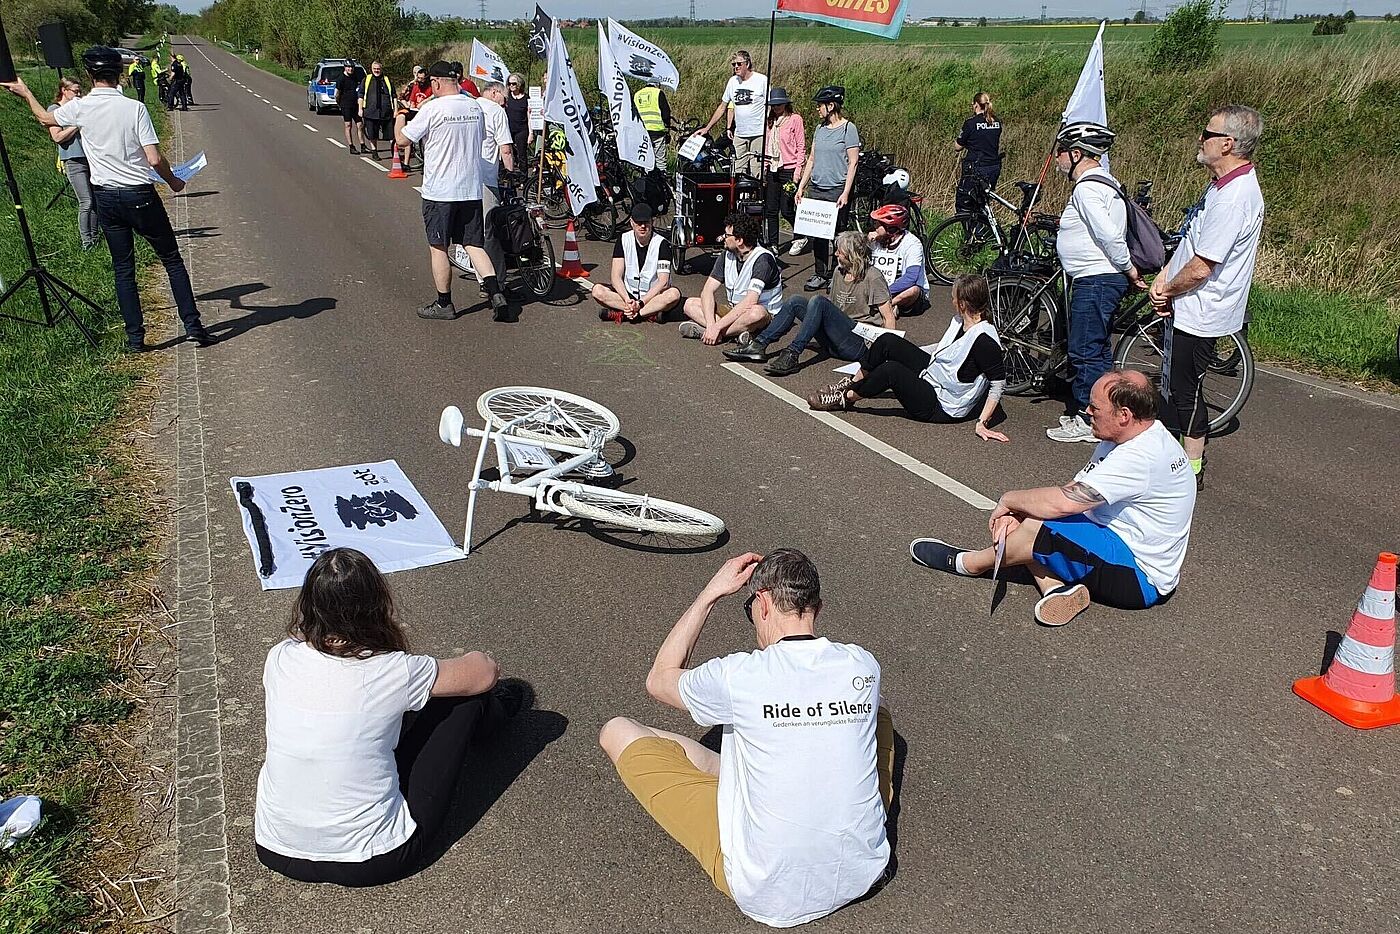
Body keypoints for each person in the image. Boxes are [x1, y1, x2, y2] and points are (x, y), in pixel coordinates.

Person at [598, 549, 894, 928]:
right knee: (878, 711)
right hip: (862, 870)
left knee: (618, 730)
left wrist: (710, 594)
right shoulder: (862, 663)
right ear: (816, 608)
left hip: (768, 891)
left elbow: (659, 679)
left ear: (764, 602)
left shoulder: (739, 676)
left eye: (750, 608)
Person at [254, 548, 527, 887]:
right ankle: (494, 721)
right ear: (376, 606)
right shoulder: (391, 670)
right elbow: (483, 674)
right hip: (373, 857)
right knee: (465, 700)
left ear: (308, 607)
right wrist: (473, 658)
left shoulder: (279, 658)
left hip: (274, 847)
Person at [909, 369, 1195, 627]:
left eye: (1095, 407)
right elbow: (1074, 488)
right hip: (1117, 545)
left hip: (1139, 578)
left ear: (1123, 415)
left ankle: (971, 564)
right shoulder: (1131, 436)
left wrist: (1009, 501)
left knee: (1037, 524)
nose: (1086, 411)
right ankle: (1055, 589)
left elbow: (1063, 503)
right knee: (1035, 515)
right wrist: (1019, 510)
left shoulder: (1140, 456)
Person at [4, 48, 214, 351]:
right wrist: (174, 181)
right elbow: (154, 158)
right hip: (140, 195)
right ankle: (193, 326)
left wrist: (25, 93)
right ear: (120, 75)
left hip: (106, 198)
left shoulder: (81, 107)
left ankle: (135, 339)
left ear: (90, 76)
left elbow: (45, 118)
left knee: (123, 268)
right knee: (171, 260)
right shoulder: (135, 108)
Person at [1148, 105, 1265, 490]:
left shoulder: (1234, 198)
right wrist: (1165, 273)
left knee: (1185, 389)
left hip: (1203, 309)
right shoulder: (1220, 185)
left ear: (1228, 143)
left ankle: (1190, 470)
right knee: (1174, 384)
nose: (1201, 139)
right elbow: (1191, 239)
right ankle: (1172, 457)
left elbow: (1202, 266)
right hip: (1188, 302)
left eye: (1207, 133)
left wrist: (1167, 288)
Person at [808, 274, 1008, 440]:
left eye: (954, 297)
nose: (951, 301)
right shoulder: (960, 321)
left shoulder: (985, 341)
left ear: (963, 304)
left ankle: (846, 398)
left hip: (942, 405)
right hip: (935, 376)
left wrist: (982, 423)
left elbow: (997, 384)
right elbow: (945, 350)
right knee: (888, 341)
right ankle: (851, 382)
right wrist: (908, 351)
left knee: (891, 370)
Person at [1045, 122, 1145, 444]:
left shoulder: (1087, 188)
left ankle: (1087, 421)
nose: (1058, 159)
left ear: (1076, 154)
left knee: (1084, 350)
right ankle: (1106, 413)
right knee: (1098, 349)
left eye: (1060, 152)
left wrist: (1128, 268)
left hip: (1096, 278)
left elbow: (1109, 235)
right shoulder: (1107, 183)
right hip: (1097, 277)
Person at [396, 61, 511, 322]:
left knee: (439, 247)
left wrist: (400, 115)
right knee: (474, 244)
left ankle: (444, 303)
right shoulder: (475, 107)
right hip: (471, 189)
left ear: (435, 83)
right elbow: (481, 137)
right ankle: (496, 293)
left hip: (440, 192)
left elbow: (403, 140)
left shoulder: (433, 108)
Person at [726, 230, 895, 377]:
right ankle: (759, 345)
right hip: (836, 338)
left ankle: (792, 353)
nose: (836, 254)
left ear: (853, 256)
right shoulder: (838, 271)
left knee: (818, 301)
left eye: (840, 252)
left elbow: (888, 317)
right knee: (795, 301)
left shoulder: (873, 277)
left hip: (858, 344)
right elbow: (834, 308)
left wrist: (886, 354)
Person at [679, 212, 783, 345]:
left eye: (727, 235)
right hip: (734, 310)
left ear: (739, 240)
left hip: (762, 313)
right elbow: (707, 291)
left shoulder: (763, 260)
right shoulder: (727, 254)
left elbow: (750, 302)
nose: (723, 238)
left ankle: (717, 333)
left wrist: (717, 327)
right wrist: (712, 325)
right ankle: (729, 333)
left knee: (757, 313)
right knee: (690, 304)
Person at [793, 86, 859, 291]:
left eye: (820, 105)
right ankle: (820, 273)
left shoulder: (849, 129)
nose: (817, 109)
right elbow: (811, 159)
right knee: (818, 234)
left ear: (831, 106)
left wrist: (846, 192)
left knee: (838, 235)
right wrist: (801, 186)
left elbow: (853, 162)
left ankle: (839, 274)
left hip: (836, 188)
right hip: (817, 187)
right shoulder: (820, 129)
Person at [591, 203, 682, 323]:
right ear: (631, 223)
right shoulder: (623, 240)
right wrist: (627, 300)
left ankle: (630, 314)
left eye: (646, 222)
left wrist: (640, 303)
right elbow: (616, 277)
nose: (643, 226)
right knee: (597, 290)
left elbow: (663, 282)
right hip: (628, 296)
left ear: (652, 222)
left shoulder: (662, 244)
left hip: (652, 297)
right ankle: (645, 313)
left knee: (673, 295)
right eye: (639, 223)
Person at [695, 50, 767, 178]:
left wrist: (770, 126)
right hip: (740, 134)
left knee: (757, 169)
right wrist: (707, 128)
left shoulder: (761, 80)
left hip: (758, 133)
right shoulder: (733, 82)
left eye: (739, 64)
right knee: (737, 169)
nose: (736, 67)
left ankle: (757, 195)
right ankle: (740, 196)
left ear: (748, 64)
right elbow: (723, 107)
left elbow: (770, 105)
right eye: (733, 64)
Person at [47, 78, 100, 251]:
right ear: (64, 90)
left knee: (95, 200)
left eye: (79, 91)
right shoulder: (55, 110)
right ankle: (86, 242)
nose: (78, 94)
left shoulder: (79, 108)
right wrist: (76, 125)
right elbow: (57, 137)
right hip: (73, 159)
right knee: (86, 201)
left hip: (89, 158)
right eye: (75, 91)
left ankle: (95, 236)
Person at [474, 81, 516, 289]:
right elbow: (505, 150)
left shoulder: (469, 106)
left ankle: (480, 276)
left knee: (472, 230)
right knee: (490, 231)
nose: (505, 103)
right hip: (486, 179)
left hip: (463, 178)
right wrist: (512, 172)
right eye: (504, 98)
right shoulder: (496, 111)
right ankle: (492, 282)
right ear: (494, 92)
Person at [761, 87, 804, 249]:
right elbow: (766, 146)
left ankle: (800, 234)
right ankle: (773, 244)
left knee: (786, 208)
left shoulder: (795, 119)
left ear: (785, 104)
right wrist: (765, 168)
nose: (776, 107)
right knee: (771, 210)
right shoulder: (770, 122)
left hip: (789, 168)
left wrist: (797, 172)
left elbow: (801, 147)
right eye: (773, 104)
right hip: (773, 168)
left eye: (779, 104)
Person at [867, 204, 929, 315]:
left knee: (913, 290)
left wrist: (883, 293)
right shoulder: (876, 240)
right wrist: (865, 245)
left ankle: (888, 306)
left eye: (877, 225)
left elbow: (911, 277)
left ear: (890, 228)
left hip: (900, 291)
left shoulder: (912, 244)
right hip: (879, 290)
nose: (874, 228)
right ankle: (885, 305)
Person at [953, 91, 1002, 216]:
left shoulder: (970, 123)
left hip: (976, 168)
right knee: (983, 201)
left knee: (965, 203)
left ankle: (973, 233)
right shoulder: (996, 122)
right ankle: (986, 229)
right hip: (993, 167)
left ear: (975, 105)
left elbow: (957, 146)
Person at [359, 61, 395, 160]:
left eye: (378, 69)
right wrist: (360, 109)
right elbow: (361, 95)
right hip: (370, 112)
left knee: (391, 134)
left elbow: (394, 95)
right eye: (374, 69)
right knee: (372, 134)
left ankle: (394, 153)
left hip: (386, 112)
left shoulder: (387, 80)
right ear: (371, 69)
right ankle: (374, 152)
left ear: (381, 69)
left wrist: (395, 110)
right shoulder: (366, 79)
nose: (376, 70)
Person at [400, 66, 432, 170]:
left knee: (426, 143)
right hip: (416, 113)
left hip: (427, 115)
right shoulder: (415, 86)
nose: (420, 81)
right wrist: (412, 105)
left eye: (422, 79)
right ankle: (406, 163)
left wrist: (423, 103)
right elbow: (412, 99)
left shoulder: (431, 88)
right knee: (409, 136)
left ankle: (426, 164)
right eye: (419, 78)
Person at [633, 78, 672, 164]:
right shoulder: (658, 93)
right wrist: (668, 127)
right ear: (657, 85)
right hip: (657, 132)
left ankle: (646, 175)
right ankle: (661, 176)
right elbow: (666, 113)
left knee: (645, 159)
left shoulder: (637, 94)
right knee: (660, 160)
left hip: (642, 133)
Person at [335, 61, 364, 154]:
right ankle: (351, 146)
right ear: (345, 67)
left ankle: (363, 145)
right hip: (345, 105)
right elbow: (337, 94)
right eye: (348, 67)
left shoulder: (354, 77)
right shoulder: (341, 79)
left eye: (351, 67)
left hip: (355, 104)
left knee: (360, 125)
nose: (350, 69)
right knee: (348, 125)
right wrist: (339, 103)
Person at [504, 73, 530, 166]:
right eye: (509, 83)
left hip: (521, 129)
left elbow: (529, 116)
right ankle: (509, 174)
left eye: (513, 83)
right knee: (508, 152)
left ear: (519, 84)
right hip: (508, 129)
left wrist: (531, 134)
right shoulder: (506, 97)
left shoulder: (526, 98)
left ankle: (524, 177)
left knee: (522, 154)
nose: (511, 85)